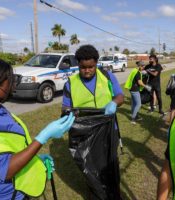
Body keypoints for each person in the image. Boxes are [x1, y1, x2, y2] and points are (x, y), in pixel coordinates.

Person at [0, 56, 75, 200]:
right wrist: (43, 137)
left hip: (17, 190)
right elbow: (7, 170)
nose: (14, 85)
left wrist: (35, 160)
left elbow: (8, 147)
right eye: (10, 81)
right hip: (3, 196)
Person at [62, 44, 124, 199]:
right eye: (83, 67)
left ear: (96, 63)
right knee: (89, 166)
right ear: (78, 65)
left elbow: (120, 96)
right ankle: (96, 193)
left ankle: (113, 192)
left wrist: (114, 103)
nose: (87, 71)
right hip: (84, 132)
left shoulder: (107, 76)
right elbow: (65, 108)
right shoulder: (70, 83)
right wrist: (66, 117)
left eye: (91, 67)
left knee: (110, 163)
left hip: (108, 129)